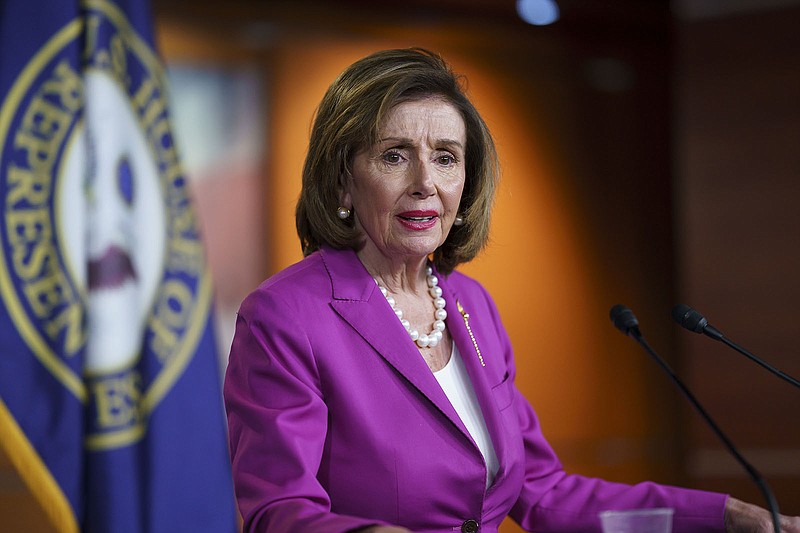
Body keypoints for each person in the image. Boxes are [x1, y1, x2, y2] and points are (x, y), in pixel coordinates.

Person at [223, 48, 799, 533]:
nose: (425, 183)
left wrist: (720, 516)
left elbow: (542, 493)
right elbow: (279, 513)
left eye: (446, 158)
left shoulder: (471, 304)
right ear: (344, 179)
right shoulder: (286, 316)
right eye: (395, 155)